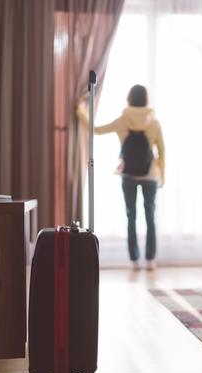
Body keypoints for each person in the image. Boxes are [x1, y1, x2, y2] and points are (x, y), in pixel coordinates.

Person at [78, 85, 165, 270]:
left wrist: (81, 111)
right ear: (146, 99)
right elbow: (162, 151)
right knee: (150, 217)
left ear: (129, 99)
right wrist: (162, 176)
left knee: (131, 216)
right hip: (150, 175)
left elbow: (96, 129)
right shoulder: (154, 122)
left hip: (128, 174)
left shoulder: (122, 120)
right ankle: (150, 260)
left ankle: (134, 261)